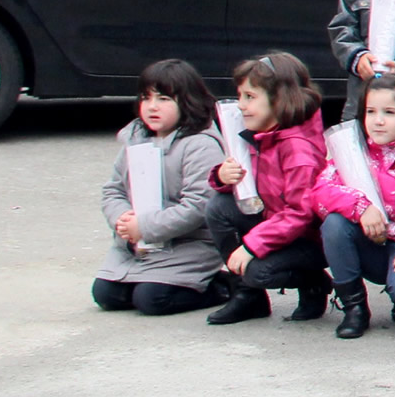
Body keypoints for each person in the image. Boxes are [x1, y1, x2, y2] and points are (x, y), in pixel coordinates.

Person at [203, 53, 333, 326]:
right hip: (275, 223)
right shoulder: (262, 132)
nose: (241, 105)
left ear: (279, 99)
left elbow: (301, 213)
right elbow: (249, 190)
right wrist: (223, 177)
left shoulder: (298, 150)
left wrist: (251, 247)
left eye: (250, 97)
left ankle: (313, 281)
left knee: (257, 271)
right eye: (240, 96)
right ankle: (248, 297)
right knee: (218, 207)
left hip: (308, 239)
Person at [92, 58, 227, 317]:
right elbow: (113, 190)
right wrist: (122, 219)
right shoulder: (136, 138)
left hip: (189, 245)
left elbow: (197, 206)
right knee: (107, 295)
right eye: (146, 98)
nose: (152, 106)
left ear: (187, 101)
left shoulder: (200, 144)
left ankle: (223, 286)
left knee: (152, 299)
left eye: (163, 99)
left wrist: (144, 227)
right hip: (137, 246)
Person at [313, 74, 395, 338]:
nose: (378, 120)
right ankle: (354, 307)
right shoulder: (353, 150)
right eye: (370, 111)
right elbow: (321, 190)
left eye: (389, 112)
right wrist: (361, 207)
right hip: (368, 239)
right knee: (334, 224)